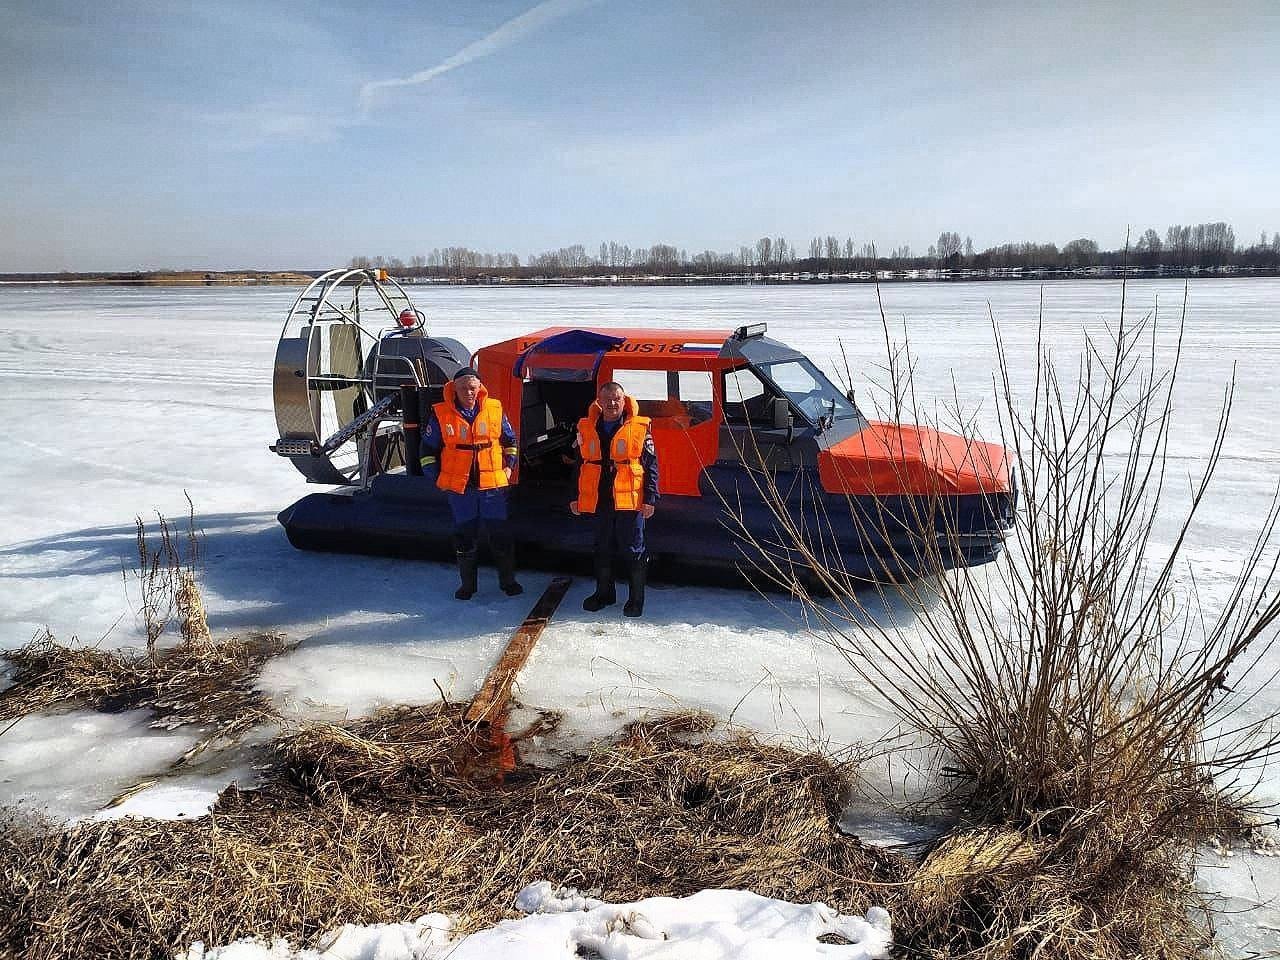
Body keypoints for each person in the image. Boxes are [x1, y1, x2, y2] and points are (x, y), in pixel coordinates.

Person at [420, 368, 523, 600]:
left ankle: (508, 582)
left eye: (472, 388)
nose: (468, 392)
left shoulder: (495, 409)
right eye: (463, 388)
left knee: (501, 535)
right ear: (454, 389)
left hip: (493, 488)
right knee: (464, 537)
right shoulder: (440, 413)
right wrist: (436, 477)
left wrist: (509, 467)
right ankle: (468, 586)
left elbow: (510, 441)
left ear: (480, 388)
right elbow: (427, 450)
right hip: (460, 490)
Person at [570, 381, 659, 617]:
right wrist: (574, 496)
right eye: (607, 399)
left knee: (633, 549)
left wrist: (650, 498)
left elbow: (651, 465)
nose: (612, 403)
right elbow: (579, 464)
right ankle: (604, 594)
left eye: (616, 399)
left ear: (624, 400)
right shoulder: (586, 427)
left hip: (630, 499)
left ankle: (636, 600)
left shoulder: (639, 428)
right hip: (599, 498)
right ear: (599, 401)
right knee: (602, 547)